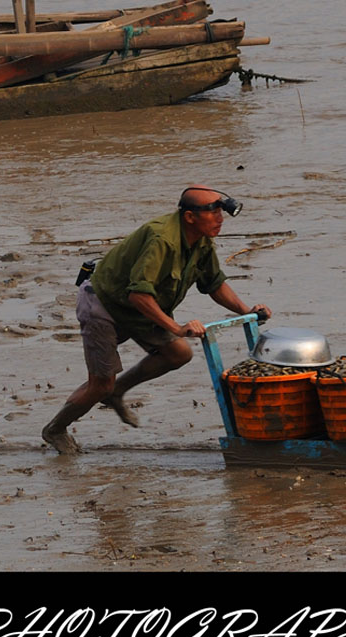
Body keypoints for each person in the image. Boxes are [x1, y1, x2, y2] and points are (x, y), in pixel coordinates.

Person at [42, 184, 272, 454]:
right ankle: (55, 429)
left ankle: (117, 392)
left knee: (178, 353)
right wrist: (177, 327)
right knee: (100, 384)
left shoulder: (201, 242)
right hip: (104, 304)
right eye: (213, 212)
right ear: (189, 217)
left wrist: (246, 312)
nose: (220, 219)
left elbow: (213, 284)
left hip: (139, 307)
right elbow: (138, 295)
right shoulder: (162, 239)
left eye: (222, 212)